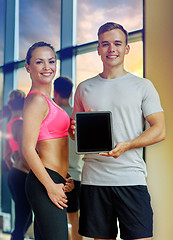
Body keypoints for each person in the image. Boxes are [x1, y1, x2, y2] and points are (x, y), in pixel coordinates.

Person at [70, 22, 166, 240]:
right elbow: (75, 134)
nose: (111, 49)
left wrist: (127, 145)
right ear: (98, 49)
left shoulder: (143, 86)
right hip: (94, 180)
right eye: (105, 44)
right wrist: (76, 130)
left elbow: (159, 130)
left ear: (126, 48)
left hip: (131, 177)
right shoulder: (84, 88)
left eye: (117, 43)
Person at [22, 41, 74, 240]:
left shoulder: (49, 101)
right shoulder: (36, 100)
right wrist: (51, 186)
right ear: (28, 67)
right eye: (39, 62)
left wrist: (63, 176)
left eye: (51, 61)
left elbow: (50, 144)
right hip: (45, 182)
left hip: (54, 179)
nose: (47, 67)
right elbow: (27, 149)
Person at [54, 76, 83, 240]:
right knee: (74, 221)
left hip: (59, 176)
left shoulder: (53, 116)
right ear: (71, 93)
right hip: (76, 175)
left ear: (55, 91)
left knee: (55, 223)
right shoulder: (77, 117)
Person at [4, 89, 32, 240]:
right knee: (23, 220)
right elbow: (24, 153)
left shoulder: (9, 124)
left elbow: (6, 156)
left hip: (15, 174)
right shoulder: (20, 124)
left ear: (9, 105)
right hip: (22, 175)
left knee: (24, 218)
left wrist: (14, 172)